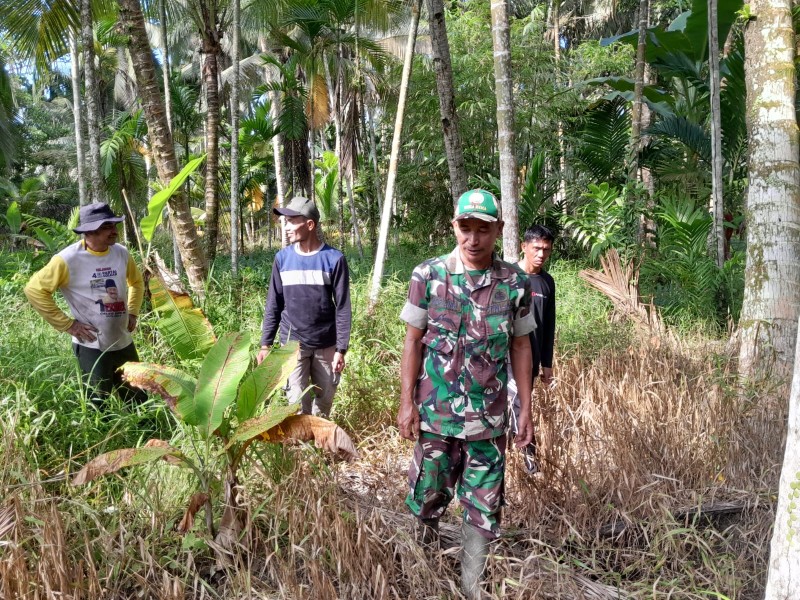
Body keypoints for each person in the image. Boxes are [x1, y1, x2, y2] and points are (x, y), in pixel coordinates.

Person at [397, 189, 534, 599]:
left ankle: (471, 589)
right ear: (454, 226)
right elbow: (412, 342)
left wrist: (525, 408)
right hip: (436, 418)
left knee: (483, 510)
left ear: (499, 230)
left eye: (483, 230)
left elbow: (522, 346)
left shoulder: (515, 283)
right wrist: (406, 403)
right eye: (465, 228)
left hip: (489, 423)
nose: (473, 239)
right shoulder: (429, 276)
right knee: (426, 501)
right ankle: (419, 581)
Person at [24, 202, 146, 403]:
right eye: (107, 227)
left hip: (123, 341)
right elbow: (34, 290)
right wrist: (68, 325)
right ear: (89, 231)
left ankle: (149, 433)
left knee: (138, 397)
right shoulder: (68, 259)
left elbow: (136, 282)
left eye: (114, 225)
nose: (114, 231)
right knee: (97, 402)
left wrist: (132, 311)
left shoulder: (121, 253)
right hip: (92, 344)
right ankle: (107, 435)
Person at [258, 196, 351, 418]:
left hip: (325, 345)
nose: (287, 228)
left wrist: (341, 349)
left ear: (310, 225)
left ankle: (319, 446)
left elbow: (343, 307)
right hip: (292, 346)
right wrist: (265, 344)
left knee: (324, 401)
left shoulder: (334, 260)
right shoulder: (282, 259)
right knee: (296, 403)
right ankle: (302, 450)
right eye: (285, 222)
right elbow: (274, 304)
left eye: (291, 221)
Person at [509, 224, 556, 473]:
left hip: (533, 359)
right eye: (536, 248)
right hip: (508, 360)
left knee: (521, 408)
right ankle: (531, 466)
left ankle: (523, 463)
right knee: (519, 408)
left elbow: (549, 325)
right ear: (524, 247)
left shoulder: (547, 282)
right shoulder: (511, 278)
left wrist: (547, 365)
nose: (541, 254)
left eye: (546, 250)